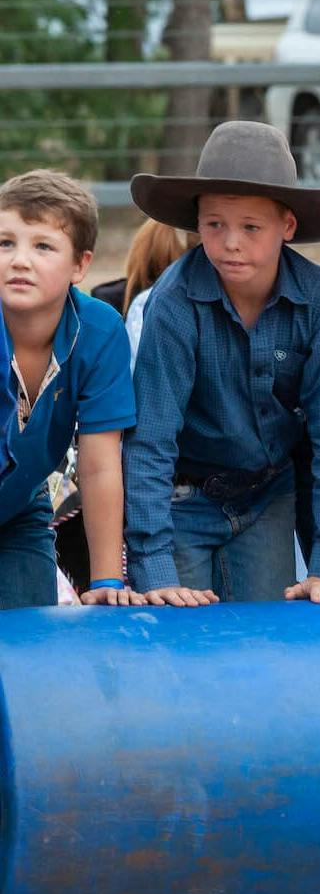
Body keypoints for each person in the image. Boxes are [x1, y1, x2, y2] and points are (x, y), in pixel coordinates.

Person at [123, 122, 320, 606]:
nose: (231, 242)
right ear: (197, 224)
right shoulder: (173, 304)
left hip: (267, 496)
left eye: (251, 227)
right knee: (181, 634)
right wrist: (152, 564)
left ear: (287, 227)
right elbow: (150, 438)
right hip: (182, 499)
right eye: (215, 224)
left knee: (266, 636)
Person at [0, 170, 139, 609]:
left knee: (33, 647)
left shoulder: (99, 331)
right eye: (5, 243)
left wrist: (107, 582)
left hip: (20, 508)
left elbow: (99, 465)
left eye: (42, 245)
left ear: (80, 265)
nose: (19, 259)